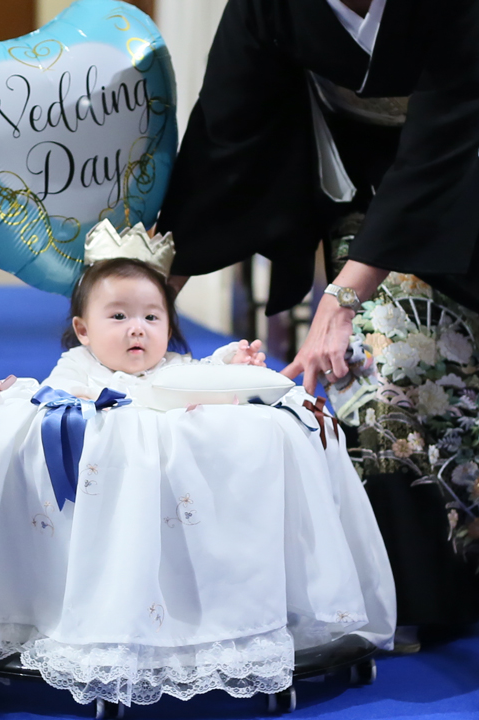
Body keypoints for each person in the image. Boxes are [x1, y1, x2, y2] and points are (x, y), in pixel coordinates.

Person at [0, 221, 395, 705]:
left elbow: (200, 386)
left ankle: (212, 620)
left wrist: (232, 367)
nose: (137, 329)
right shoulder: (79, 375)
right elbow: (58, 409)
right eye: (118, 316)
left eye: (151, 317)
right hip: (103, 502)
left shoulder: (176, 367)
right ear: (84, 330)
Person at [156, 0, 479, 647]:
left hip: (464, 161)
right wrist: (155, 282)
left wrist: (338, 301)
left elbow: (449, 132)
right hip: (376, 201)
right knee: (378, 363)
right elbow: (226, 130)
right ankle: (429, 591)